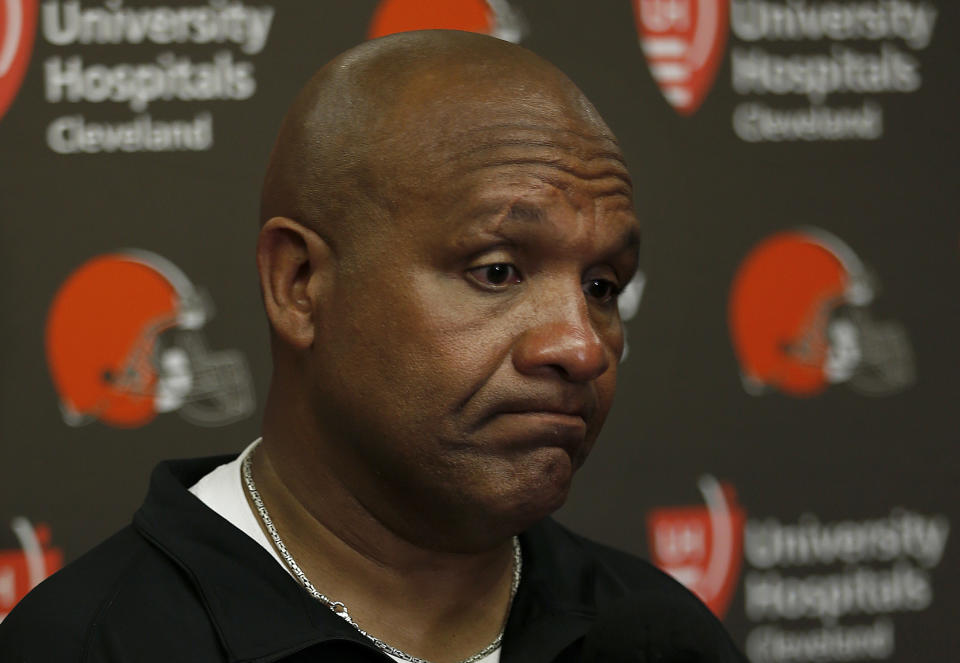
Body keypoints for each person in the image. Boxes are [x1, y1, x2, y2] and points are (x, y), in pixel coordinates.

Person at [0, 30, 745, 662]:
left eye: (603, 286)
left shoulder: (663, 641)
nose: (582, 347)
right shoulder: (91, 643)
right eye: (496, 271)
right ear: (300, 284)